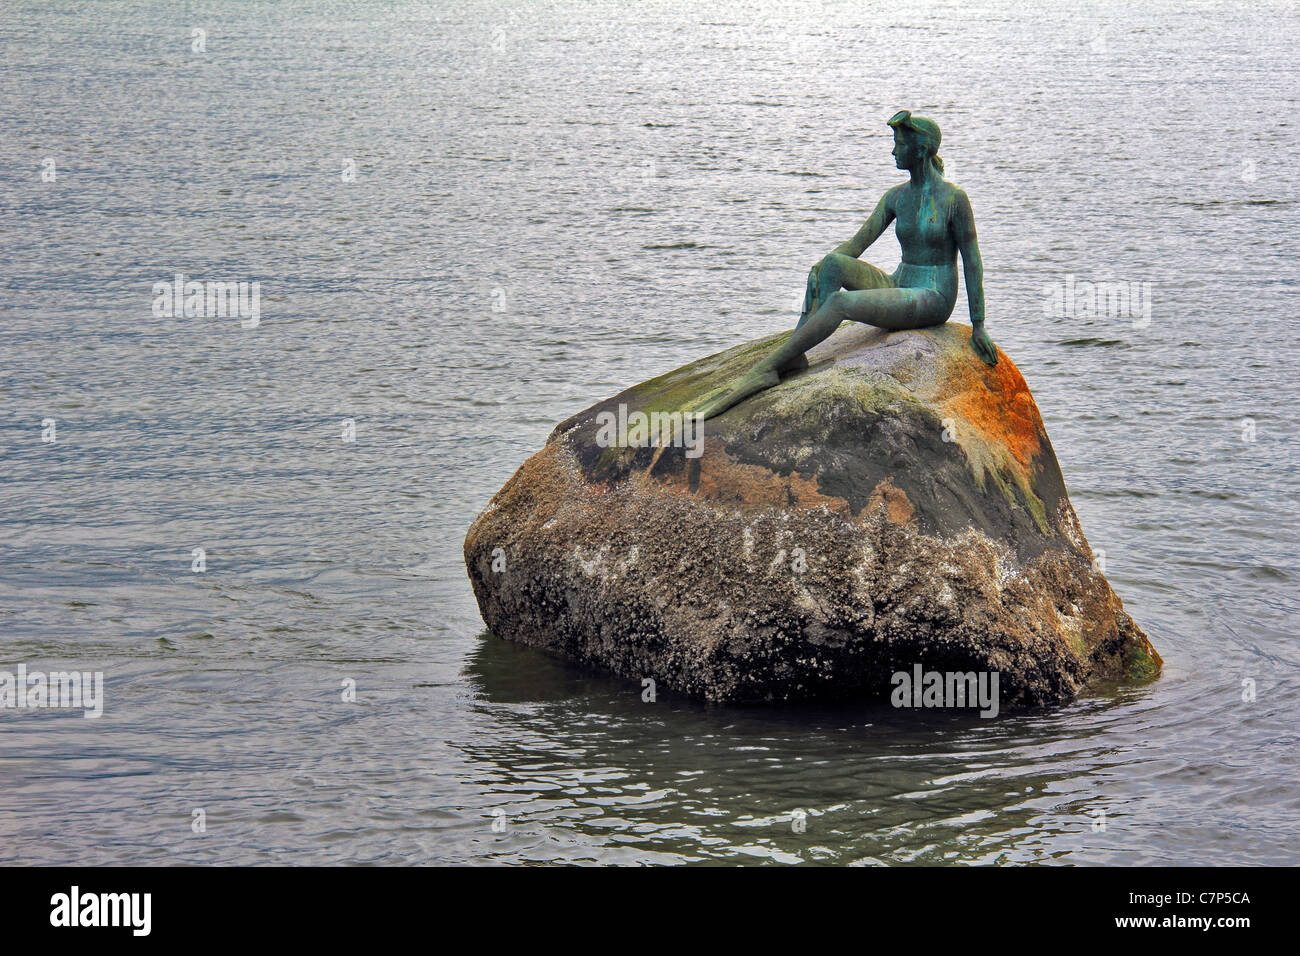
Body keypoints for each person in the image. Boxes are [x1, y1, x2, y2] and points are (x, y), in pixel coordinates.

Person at [698, 110, 998, 421]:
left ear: (920, 149)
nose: (893, 151)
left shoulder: (953, 199)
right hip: (900, 283)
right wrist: (820, 267)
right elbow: (855, 246)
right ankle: (795, 355)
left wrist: (979, 326)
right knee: (831, 265)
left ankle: (768, 368)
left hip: (933, 296)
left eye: (899, 144)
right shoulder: (896, 197)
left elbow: (972, 262)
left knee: (841, 303)